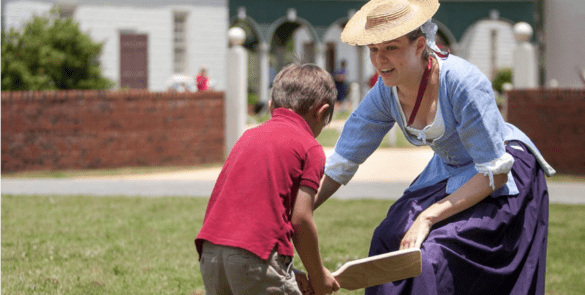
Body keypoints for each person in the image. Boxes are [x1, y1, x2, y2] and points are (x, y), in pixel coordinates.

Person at [313, 0, 556, 294]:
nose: (380, 60)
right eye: (373, 50)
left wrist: (426, 217)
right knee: (387, 237)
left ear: (419, 45)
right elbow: (343, 161)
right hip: (451, 171)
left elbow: (496, 172)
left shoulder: (462, 82)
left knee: (431, 255)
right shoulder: (385, 91)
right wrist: (296, 216)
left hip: (502, 173)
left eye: (391, 47)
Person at [195, 63, 340, 295]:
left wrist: (287, 272)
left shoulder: (248, 137)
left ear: (272, 106)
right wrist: (318, 275)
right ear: (321, 112)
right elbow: (300, 219)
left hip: (212, 254)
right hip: (257, 257)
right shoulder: (310, 147)